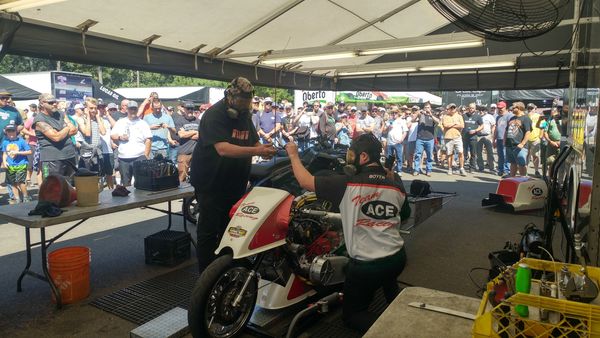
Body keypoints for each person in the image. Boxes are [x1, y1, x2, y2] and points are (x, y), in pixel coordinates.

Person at [285, 134, 407, 334]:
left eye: (352, 155)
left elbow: (305, 181)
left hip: (366, 267)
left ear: (364, 157)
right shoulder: (396, 185)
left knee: (352, 317)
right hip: (398, 258)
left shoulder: (347, 184)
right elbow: (405, 213)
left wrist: (293, 155)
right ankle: (397, 302)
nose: (349, 159)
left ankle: (394, 331)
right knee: (387, 273)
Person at [189, 77, 276, 274]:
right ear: (230, 97)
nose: (245, 106)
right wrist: (257, 152)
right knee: (208, 231)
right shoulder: (214, 115)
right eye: (241, 102)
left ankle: (226, 269)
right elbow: (223, 149)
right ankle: (206, 275)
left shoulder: (244, 115)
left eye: (248, 102)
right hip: (210, 181)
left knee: (230, 228)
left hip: (234, 182)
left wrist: (263, 148)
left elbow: (253, 142)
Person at [33, 93, 78, 179]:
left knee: (71, 187)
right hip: (52, 159)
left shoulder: (61, 113)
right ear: (42, 103)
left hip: (69, 155)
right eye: (50, 102)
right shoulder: (39, 120)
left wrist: (62, 131)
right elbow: (56, 137)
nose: (54, 104)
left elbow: (74, 130)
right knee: (53, 188)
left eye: (55, 102)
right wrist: (67, 127)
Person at [111, 100, 152, 186]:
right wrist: (120, 137)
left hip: (139, 157)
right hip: (123, 158)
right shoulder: (120, 122)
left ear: (137, 110)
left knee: (141, 183)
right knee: (126, 183)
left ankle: (141, 199)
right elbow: (112, 135)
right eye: (131, 109)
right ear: (127, 110)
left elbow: (148, 139)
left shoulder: (142, 123)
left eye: (134, 109)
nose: (132, 111)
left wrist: (146, 156)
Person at [2, 123, 32, 203]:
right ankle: (17, 198)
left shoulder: (21, 141)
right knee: (13, 182)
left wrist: (18, 152)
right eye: (9, 131)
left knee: (20, 181)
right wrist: (4, 162)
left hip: (21, 164)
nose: (11, 133)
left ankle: (25, 196)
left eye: (13, 131)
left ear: (16, 131)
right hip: (10, 165)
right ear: (6, 132)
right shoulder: (5, 142)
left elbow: (29, 151)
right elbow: (5, 153)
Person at [75, 97, 106, 172]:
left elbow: (103, 132)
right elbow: (87, 133)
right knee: (87, 176)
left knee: (98, 176)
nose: (94, 110)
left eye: (95, 108)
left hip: (98, 151)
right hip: (86, 152)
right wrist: (88, 117)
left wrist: (98, 117)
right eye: (91, 108)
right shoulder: (80, 119)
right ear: (86, 109)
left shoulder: (98, 118)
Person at [173, 102, 199, 182]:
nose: (190, 110)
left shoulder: (199, 121)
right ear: (184, 109)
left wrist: (187, 133)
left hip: (197, 153)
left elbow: (201, 135)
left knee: (197, 176)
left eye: (192, 109)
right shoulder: (179, 120)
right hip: (184, 152)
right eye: (188, 108)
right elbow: (181, 135)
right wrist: (195, 132)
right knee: (181, 177)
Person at [505, 102, 532, 177]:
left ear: (519, 108)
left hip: (520, 146)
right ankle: (512, 179)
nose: (512, 109)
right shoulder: (512, 118)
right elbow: (506, 131)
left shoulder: (526, 118)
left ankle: (522, 181)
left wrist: (522, 143)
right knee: (513, 163)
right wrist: (505, 142)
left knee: (521, 164)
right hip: (509, 145)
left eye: (514, 108)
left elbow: (528, 132)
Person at [412, 102, 439, 176]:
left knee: (429, 156)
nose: (427, 108)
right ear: (423, 108)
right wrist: (417, 113)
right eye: (426, 107)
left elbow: (438, 122)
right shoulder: (420, 114)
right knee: (418, 155)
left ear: (430, 108)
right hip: (420, 138)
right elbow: (412, 120)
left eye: (428, 107)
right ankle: (416, 170)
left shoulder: (433, 115)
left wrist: (430, 114)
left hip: (430, 138)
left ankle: (428, 170)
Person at [442, 103, 466, 176]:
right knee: (449, 154)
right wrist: (454, 124)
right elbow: (445, 125)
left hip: (457, 137)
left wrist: (451, 125)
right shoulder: (445, 116)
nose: (453, 109)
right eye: (451, 108)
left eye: (454, 108)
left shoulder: (459, 116)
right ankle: (450, 169)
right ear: (448, 109)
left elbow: (462, 125)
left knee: (461, 152)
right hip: (448, 138)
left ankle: (461, 168)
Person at [462, 103, 483, 173]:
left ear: (475, 109)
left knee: (473, 153)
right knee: (463, 152)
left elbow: (482, 126)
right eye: (470, 108)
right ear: (468, 108)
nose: (471, 109)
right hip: (464, 137)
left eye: (472, 108)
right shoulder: (464, 115)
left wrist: (475, 130)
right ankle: (462, 167)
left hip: (473, 137)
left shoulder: (478, 116)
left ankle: (472, 168)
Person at [386, 108, 408, 175]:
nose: (394, 114)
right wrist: (388, 127)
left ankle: (399, 170)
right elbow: (384, 130)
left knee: (399, 157)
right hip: (390, 142)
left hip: (398, 142)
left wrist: (402, 139)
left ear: (398, 113)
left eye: (395, 113)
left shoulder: (402, 121)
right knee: (390, 157)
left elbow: (405, 131)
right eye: (392, 113)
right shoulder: (389, 120)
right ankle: (390, 170)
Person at [494, 101, 512, 176]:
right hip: (499, 139)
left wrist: (507, 139)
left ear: (505, 107)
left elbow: (510, 129)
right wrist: (494, 139)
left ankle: (506, 170)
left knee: (506, 156)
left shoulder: (509, 116)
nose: (499, 109)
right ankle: (500, 170)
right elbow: (496, 128)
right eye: (498, 108)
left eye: (501, 108)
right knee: (500, 155)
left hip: (506, 139)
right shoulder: (497, 116)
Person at [477, 107, 496, 173]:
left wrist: (492, 135)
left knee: (490, 152)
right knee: (479, 152)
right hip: (479, 136)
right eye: (480, 110)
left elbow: (493, 126)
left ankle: (492, 167)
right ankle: (481, 167)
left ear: (486, 111)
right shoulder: (477, 116)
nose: (481, 111)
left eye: (483, 110)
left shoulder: (489, 116)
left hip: (488, 136)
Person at [526, 103, 542, 177]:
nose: (530, 110)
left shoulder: (539, 116)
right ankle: (525, 170)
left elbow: (543, 126)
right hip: (525, 138)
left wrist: (540, 136)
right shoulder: (525, 116)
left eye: (531, 108)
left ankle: (536, 171)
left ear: (535, 108)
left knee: (535, 155)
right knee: (526, 155)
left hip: (535, 138)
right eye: (528, 108)